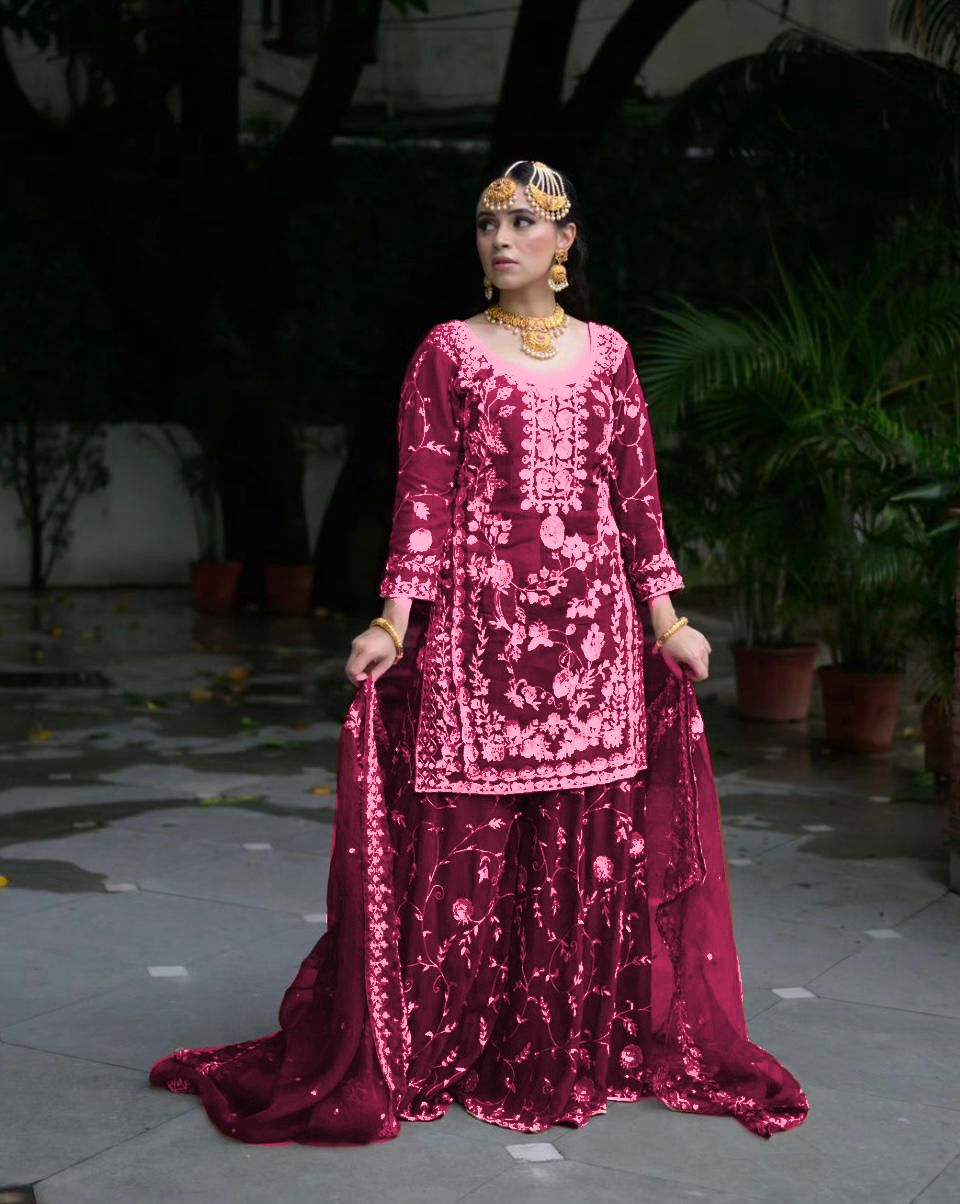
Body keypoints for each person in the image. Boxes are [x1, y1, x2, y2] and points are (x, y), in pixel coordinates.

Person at [149, 160, 809, 1144]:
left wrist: (668, 622)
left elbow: (637, 501)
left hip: (593, 645)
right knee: (467, 852)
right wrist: (392, 623)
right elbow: (421, 498)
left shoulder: (611, 356)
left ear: (566, 240)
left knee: (586, 854)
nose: (502, 239)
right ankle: (451, 1041)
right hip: (477, 644)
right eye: (488, 223)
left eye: (524, 222)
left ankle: (565, 1046)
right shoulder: (447, 353)